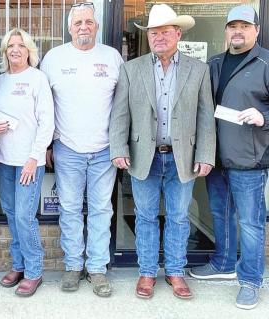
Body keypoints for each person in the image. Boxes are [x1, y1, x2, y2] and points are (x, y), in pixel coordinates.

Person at [109, 4, 215, 300]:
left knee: (179, 217)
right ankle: (146, 271)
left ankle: (176, 271)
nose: (158, 37)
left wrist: (206, 154)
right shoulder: (131, 69)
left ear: (177, 33)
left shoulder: (199, 70)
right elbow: (120, 115)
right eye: (153, 33)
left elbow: (206, 116)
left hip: (183, 158)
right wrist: (118, 148)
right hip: (145, 156)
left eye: (164, 31)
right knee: (145, 217)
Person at [40, 2, 123, 297]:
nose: (83, 27)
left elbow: (123, 106)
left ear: (97, 25)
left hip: (104, 150)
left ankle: (98, 268)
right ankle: (74, 265)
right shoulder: (53, 58)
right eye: (78, 23)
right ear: (69, 27)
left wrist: (121, 145)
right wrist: (47, 144)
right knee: (70, 209)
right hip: (67, 148)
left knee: (101, 209)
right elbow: (42, 105)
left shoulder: (112, 57)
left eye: (89, 21)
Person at [189, 5, 269, 310]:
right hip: (216, 157)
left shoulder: (265, 63)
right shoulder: (215, 63)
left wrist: (264, 116)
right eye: (232, 26)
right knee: (220, 215)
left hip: (250, 160)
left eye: (244, 26)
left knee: (250, 223)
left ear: (256, 30)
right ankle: (223, 263)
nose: (238, 31)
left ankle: (250, 280)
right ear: (226, 31)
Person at [0, 28, 54, 297]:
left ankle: (34, 271)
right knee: (11, 214)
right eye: (10, 46)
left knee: (25, 217)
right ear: (4, 52)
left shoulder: (38, 79)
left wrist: (33, 158)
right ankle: (18, 265)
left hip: (29, 161)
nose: (15, 49)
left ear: (29, 50)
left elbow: (47, 123)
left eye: (20, 45)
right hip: (2, 159)